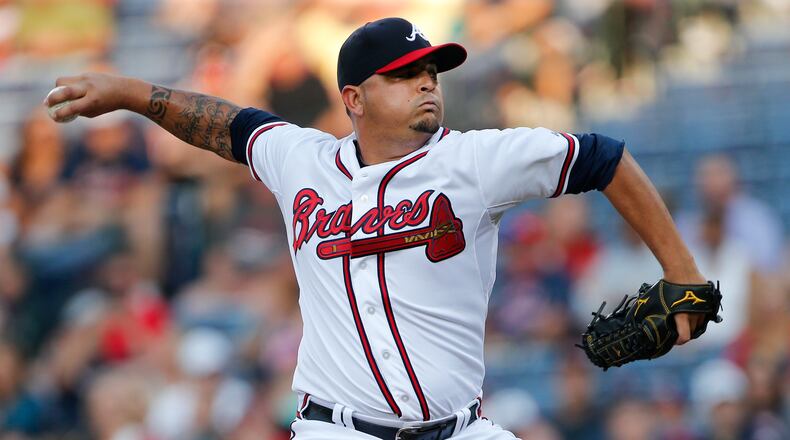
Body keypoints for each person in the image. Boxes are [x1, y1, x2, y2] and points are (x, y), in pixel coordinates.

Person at [45, 17, 711, 440]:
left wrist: (682, 272)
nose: (426, 84)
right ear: (354, 100)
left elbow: (603, 157)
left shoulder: (477, 161)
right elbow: (225, 123)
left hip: (459, 430)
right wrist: (132, 93)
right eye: (403, 76)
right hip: (339, 430)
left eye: (430, 73)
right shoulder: (302, 159)